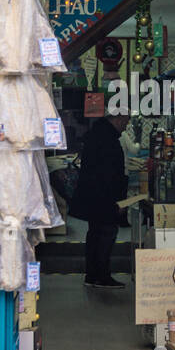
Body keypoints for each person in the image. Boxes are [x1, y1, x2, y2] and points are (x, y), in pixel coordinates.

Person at [70, 112, 130, 288]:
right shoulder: (107, 141)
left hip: (94, 198)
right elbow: (109, 176)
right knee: (105, 235)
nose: (125, 126)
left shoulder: (97, 136)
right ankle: (102, 276)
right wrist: (117, 201)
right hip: (105, 199)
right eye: (125, 122)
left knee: (95, 235)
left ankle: (92, 275)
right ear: (118, 119)